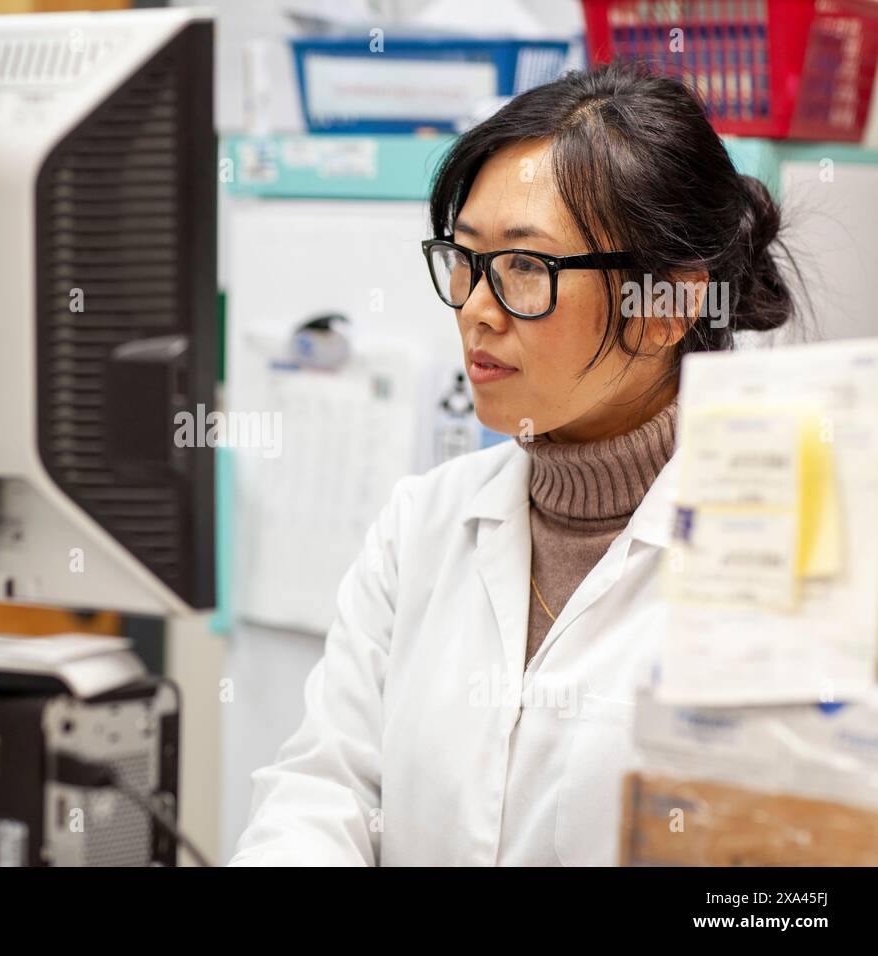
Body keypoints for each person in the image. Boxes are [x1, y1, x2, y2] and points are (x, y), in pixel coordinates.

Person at [230, 62, 797, 866]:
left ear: (666, 305)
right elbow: (324, 793)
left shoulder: (784, 553)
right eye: (464, 260)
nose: (477, 309)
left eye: (526, 267)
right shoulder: (421, 527)